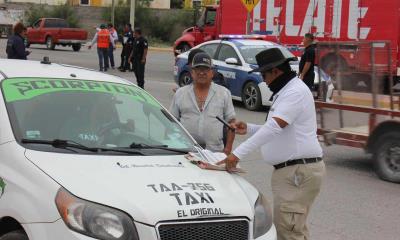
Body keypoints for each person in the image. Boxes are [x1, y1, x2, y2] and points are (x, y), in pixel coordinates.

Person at [220, 48, 325, 240]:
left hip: (297, 172)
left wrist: (237, 154)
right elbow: (281, 129)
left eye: (264, 75)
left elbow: (275, 127)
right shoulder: (287, 90)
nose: (263, 80)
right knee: (293, 229)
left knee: (289, 231)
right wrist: (250, 128)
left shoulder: (294, 92)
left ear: (275, 71)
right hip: (293, 172)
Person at [170, 52, 236, 154]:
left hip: (215, 153)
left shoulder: (224, 93)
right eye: (198, 69)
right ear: (192, 72)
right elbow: (172, 123)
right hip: (185, 151)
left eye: (205, 69)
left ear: (212, 73)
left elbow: (231, 123)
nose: (201, 72)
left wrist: (228, 149)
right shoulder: (180, 93)